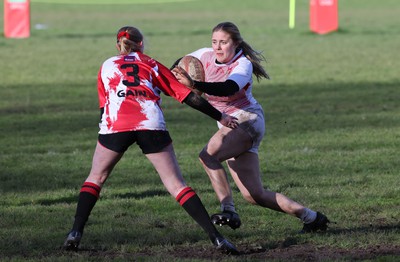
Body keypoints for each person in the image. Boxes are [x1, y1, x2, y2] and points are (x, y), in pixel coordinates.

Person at [63, 26, 240, 255]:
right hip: (150, 123)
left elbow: (103, 107)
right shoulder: (151, 63)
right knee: (176, 185)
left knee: (96, 177)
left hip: (115, 124)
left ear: (118, 46)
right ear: (141, 44)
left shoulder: (107, 65)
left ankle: (75, 232)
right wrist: (221, 116)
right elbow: (186, 96)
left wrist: (106, 133)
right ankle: (217, 238)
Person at [172, 21, 330, 234]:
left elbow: (227, 88)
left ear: (235, 43)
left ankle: (228, 209)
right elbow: (178, 65)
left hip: (247, 120)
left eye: (224, 42)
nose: (218, 47)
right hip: (230, 124)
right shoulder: (203, 56)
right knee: (254, 195)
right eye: (214, 42)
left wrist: (195, 85)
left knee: (208, 155)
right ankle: (312, 218)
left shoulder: (242, 65)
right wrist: (174, 74)